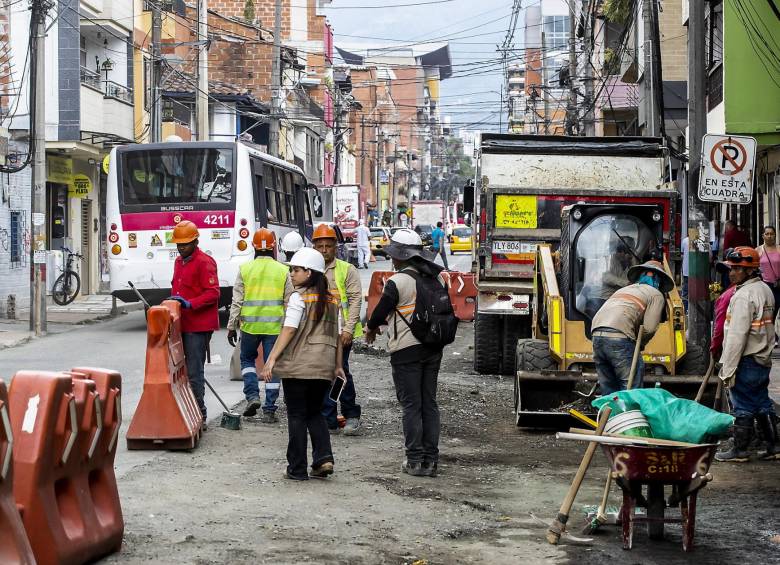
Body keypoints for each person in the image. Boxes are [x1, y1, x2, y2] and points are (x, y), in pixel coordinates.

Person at [364, 229, 445, 478]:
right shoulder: (437, 279)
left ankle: (414, 460)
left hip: (406, 350)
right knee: (428, 403)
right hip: (433, 348)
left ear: (400, 257)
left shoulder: (397, 282)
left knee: (411, 405)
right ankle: (431, 461)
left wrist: (370, 328)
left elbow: (378, 315)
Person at [260, 248, 345, 480]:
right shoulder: (333, 301)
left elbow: (289, 329)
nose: (292, 274)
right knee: (315, 413)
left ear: (309, 272)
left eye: (296, 270)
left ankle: (297, 469)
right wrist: (338, 367)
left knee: (297, 415)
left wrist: (272, 358)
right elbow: (337, 336)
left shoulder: (299, 298)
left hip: (298, 366)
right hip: (324, 367)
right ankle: (323, 459)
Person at [715, 247, 778, 462]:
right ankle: (773, 446)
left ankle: (740, 450)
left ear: (750, 271)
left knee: (742, 405)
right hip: (762, 359)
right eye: (731, 268)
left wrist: (728, 368)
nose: (732, 273)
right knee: (762, 403)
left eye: (737, 269)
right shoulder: (765, 290)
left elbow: (736, 336)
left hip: (747, 360)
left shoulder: (743, 296)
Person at [227, 229, 294, 423]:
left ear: (253, 246)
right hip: (274, 329)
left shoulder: (245, 269)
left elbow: (237, 301)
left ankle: (252, 396)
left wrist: (231, 326)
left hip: (249, 327)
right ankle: (269, 410)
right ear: (273, 246)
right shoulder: (283, 270)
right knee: (272, 365)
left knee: (247, 360)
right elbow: (289, 302)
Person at [590, 260, 673, 395]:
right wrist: (640, 344)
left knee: (609, 388)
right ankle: (629, 414)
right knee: (631, 387)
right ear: (660, 281)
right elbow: (650, 328)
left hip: (596, 334)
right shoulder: (655, 294)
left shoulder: (624, 289)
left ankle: (610, 414)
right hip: (619, 337)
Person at [312, 224, 363, 435]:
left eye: (328, 246)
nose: (324, 250)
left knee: (340, 372)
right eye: (320, 246)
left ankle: (350, 414)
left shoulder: (346, 269)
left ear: (335, 247)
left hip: (341, 332)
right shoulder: (310, 270)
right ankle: (329, 418)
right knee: (323, 374)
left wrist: (349, 330)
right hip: (318, 333)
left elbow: (355, 300)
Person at [169, 220, 220, 429]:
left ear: (195, 241)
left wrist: (191, 304)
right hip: (181, 324)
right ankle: (187, 411)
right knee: (181, 371)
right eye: (179, 245)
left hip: (198, 326)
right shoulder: (179, 262)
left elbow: (213, 292)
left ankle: (201, 414)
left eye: (185, 244)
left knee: (194, 372)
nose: (181, 248)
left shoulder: (204, 262)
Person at [757, 226, 780, 320]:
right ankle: (771, 333)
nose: (769, 236)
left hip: (779, 285)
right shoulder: (758, 250)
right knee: (769, 315)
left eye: (772, 234)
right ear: (763, 236)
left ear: (775, 235)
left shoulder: (779, 249)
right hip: (765, 286)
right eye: (767, 234)